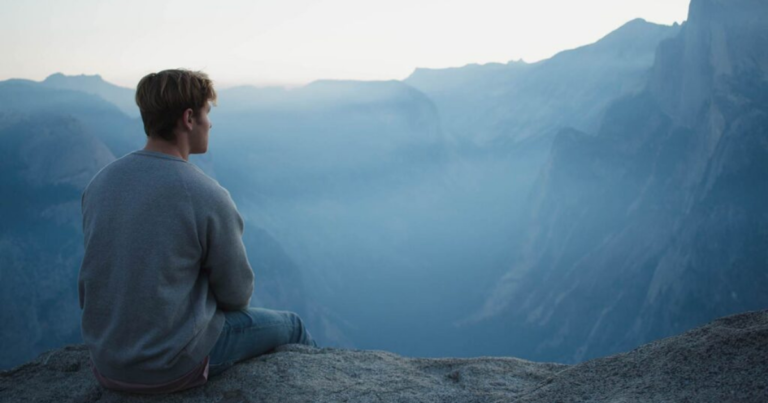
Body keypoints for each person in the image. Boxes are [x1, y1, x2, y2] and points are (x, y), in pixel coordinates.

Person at [78, 69, 317, 394]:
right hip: (171, 366)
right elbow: (237, 294)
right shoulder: (205, 194)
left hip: (106, 364)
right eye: (207, 112)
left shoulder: (99, 184)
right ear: (189, 118)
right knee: (293, 325)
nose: (211, 124)